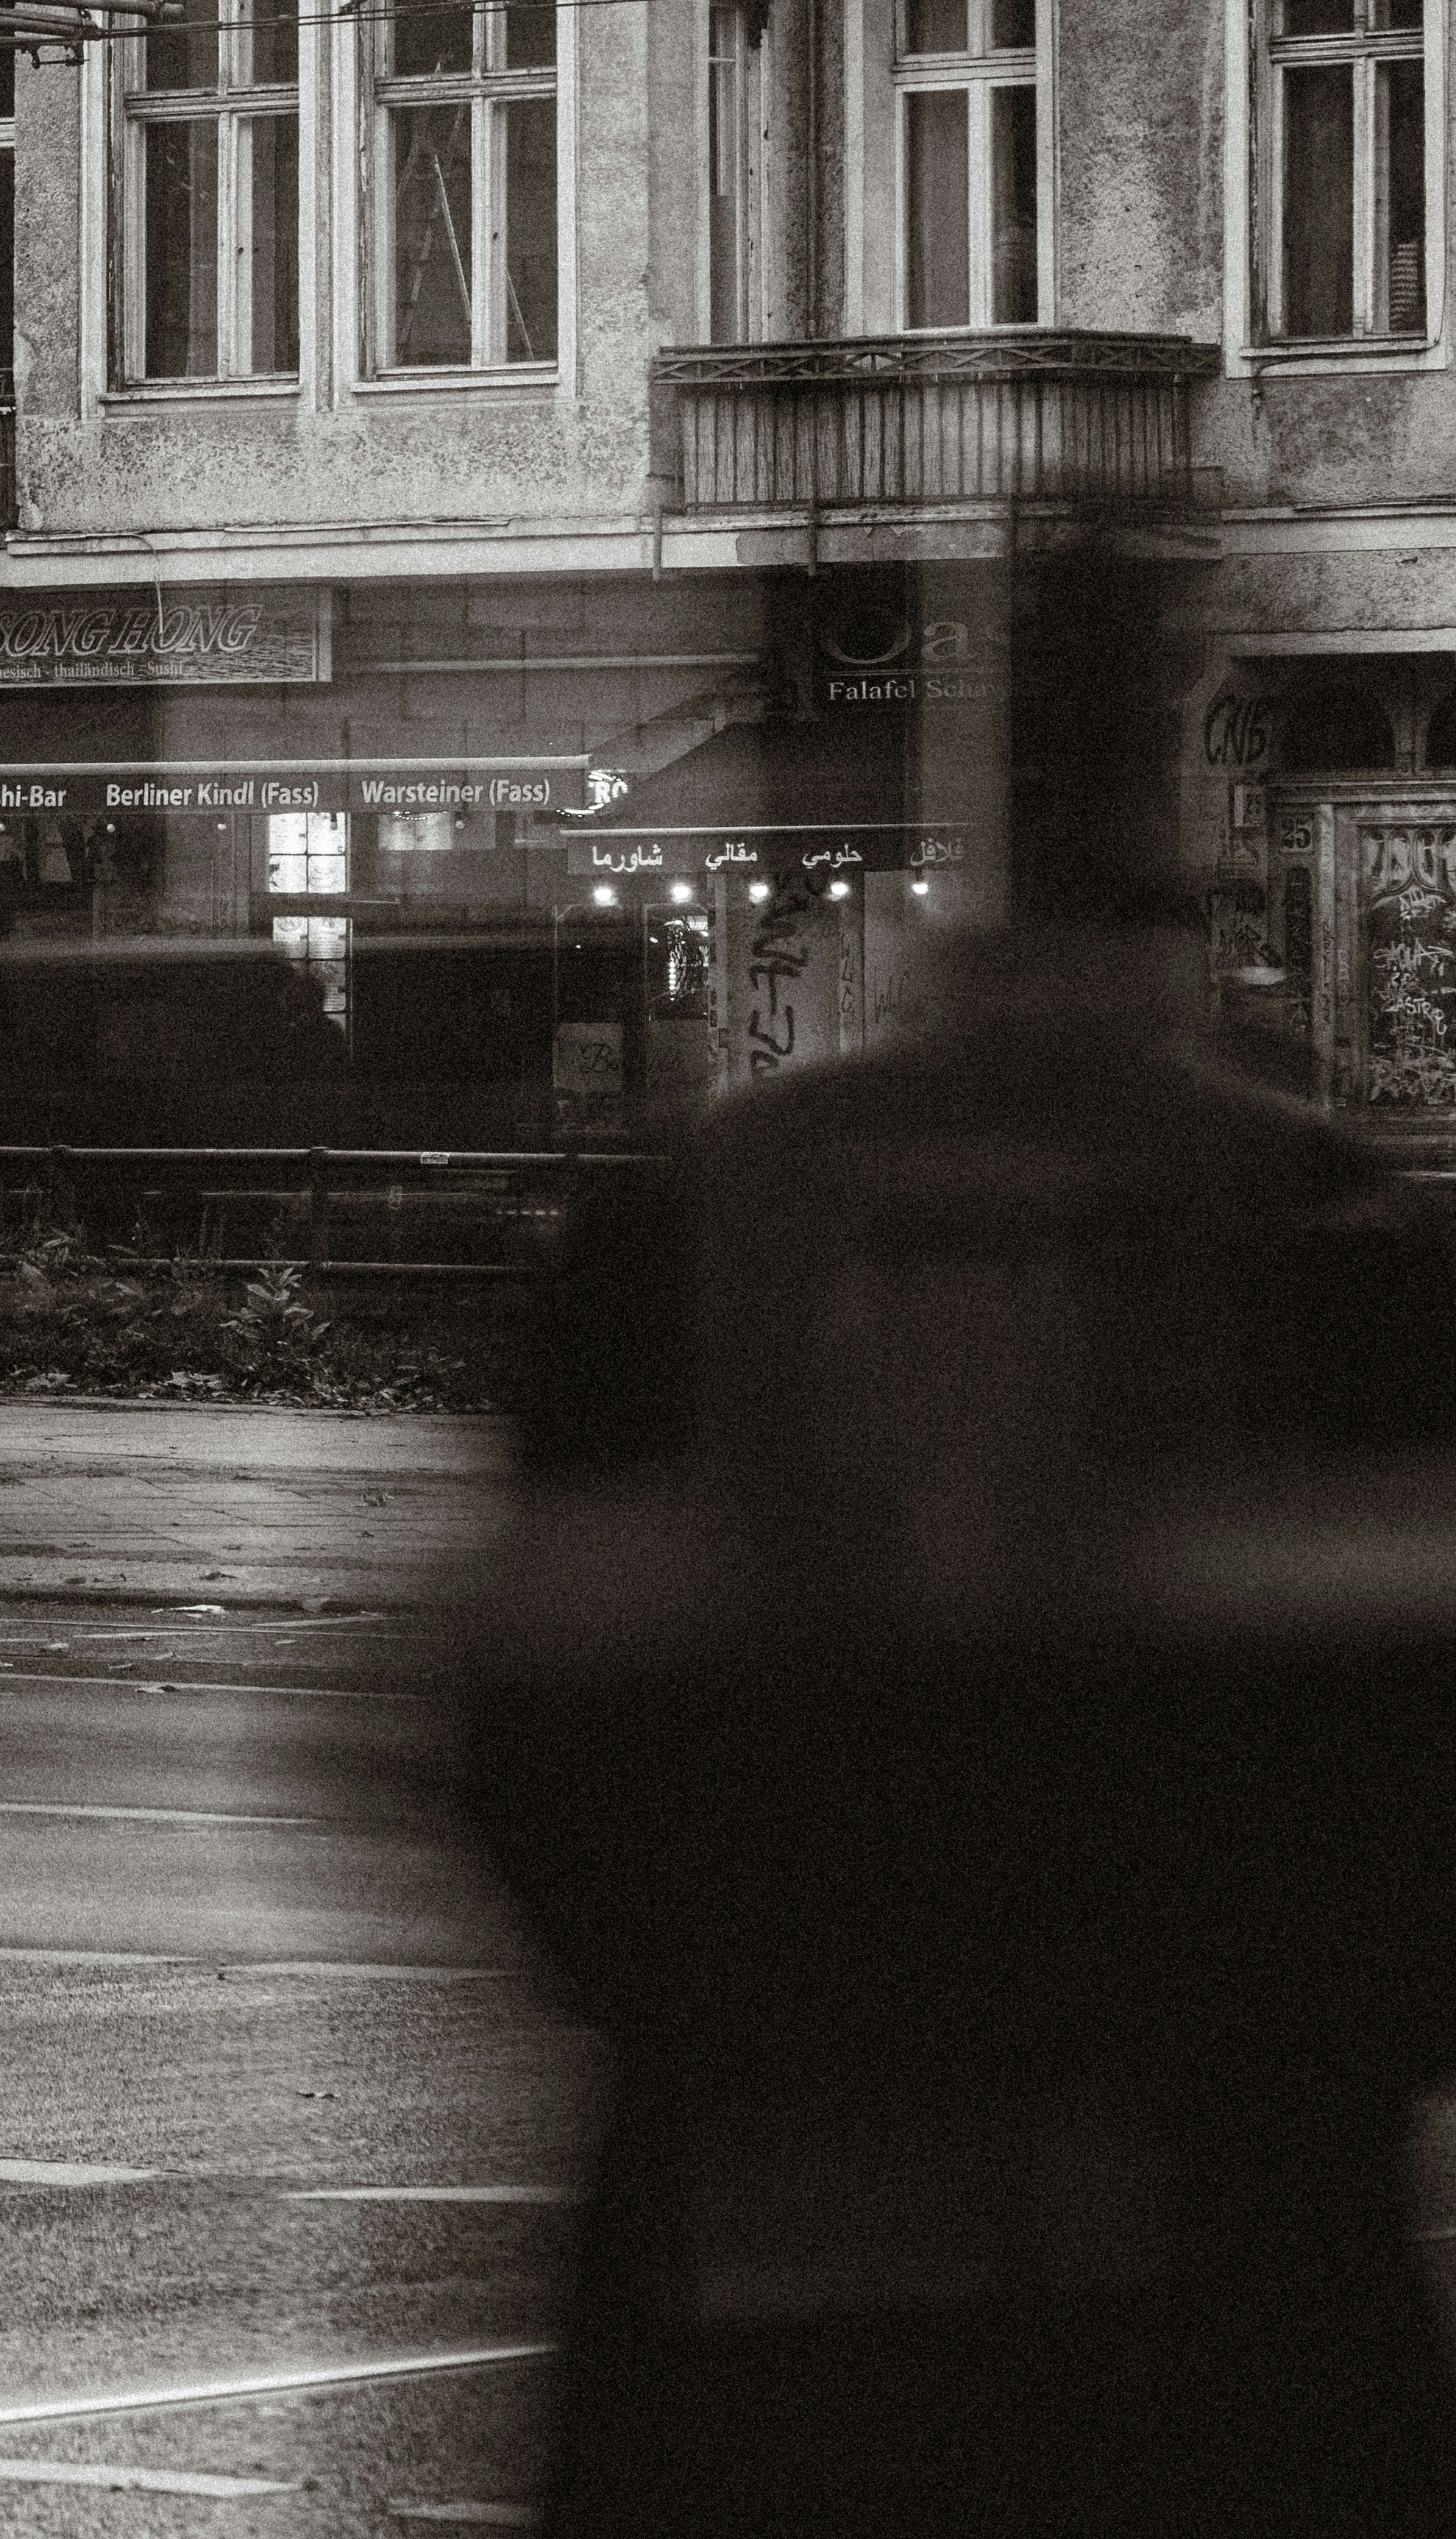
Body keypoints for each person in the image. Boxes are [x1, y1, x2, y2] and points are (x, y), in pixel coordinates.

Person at [458, 544, 1456, 2538]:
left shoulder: (694, 1219)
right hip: (1224, 2302)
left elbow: (499, 1753)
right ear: (1201, 863)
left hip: (741, 2300)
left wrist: (734, 2009)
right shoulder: (1333, 1243)